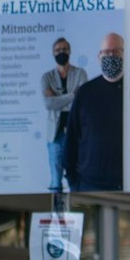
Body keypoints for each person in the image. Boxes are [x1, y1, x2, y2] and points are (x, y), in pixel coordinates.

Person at [60, 33, 126, 192]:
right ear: (99, 56)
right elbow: (71, 140)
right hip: (88, 186)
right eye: (106, 52)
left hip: (123, 187)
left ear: (125, 54)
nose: (111, 56)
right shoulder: (85, 92)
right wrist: (74, 183)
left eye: (116, 52)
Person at [40, 37, 86, 190]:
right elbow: (49, 104)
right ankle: (55, 210)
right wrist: (72, 95)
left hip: (75, 133)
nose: (61, 53)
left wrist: (57, 98)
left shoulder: (80, 73)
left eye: (64, 49)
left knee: (76, 177)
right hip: (55, 134)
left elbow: (82, 101)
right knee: (55, 181)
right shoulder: (47, 77)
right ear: (53, 53)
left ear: (70, 51)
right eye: (58, 50)